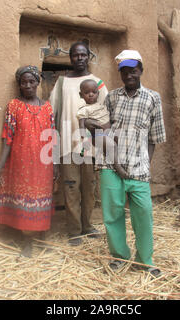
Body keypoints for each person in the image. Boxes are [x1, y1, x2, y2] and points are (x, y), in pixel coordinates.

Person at [94, 50, 166, 277]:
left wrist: (145, 163)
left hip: (138, 169)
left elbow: (154, 138)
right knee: (112, 215)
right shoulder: (111, 97)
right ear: (120, 74)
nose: (129, 75)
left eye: (133, 70)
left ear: (141, 70)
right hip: (110, 167)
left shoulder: (153, 98)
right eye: (124, 71)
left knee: (143, 214)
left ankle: (145, 260)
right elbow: (102, 133)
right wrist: (115, 164)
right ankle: (119, 257)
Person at [0, 65, 58, 257]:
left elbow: (52, 137)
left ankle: (43, 237)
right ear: (19, 85)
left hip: (43, 163)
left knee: (43, 198)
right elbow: (7, 137)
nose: (27, 85)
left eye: (31, 81)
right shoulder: (14, 106)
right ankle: (27, 242)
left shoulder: (47, 107)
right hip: (21, 162)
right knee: (26, 199)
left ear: (38, 82)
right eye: (23, 82)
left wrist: (55, 164)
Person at [49, 42, 108, 246]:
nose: (79, 58)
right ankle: (74, 231)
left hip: (91, 147)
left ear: (88, 57)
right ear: (71, 58)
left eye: (83, 55)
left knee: (89, 188)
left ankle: (88, 226)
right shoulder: (62, 83)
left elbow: (106, 111)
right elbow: (52, 113)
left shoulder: (97, 82)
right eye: (75, 55)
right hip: (67, 145)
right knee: (71, 188)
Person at [76, 79, 127, 178]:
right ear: (81, 95)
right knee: (112, 146)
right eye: (87, 93)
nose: (91, 94)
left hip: (108, 132)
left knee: (118, 141)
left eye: (93, 92)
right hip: (98, 135)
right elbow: (81, 124)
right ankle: (118, 167)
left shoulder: (101, 105)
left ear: (98, 93)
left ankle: (119, 161)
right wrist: (83, 136)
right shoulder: (84, 110)